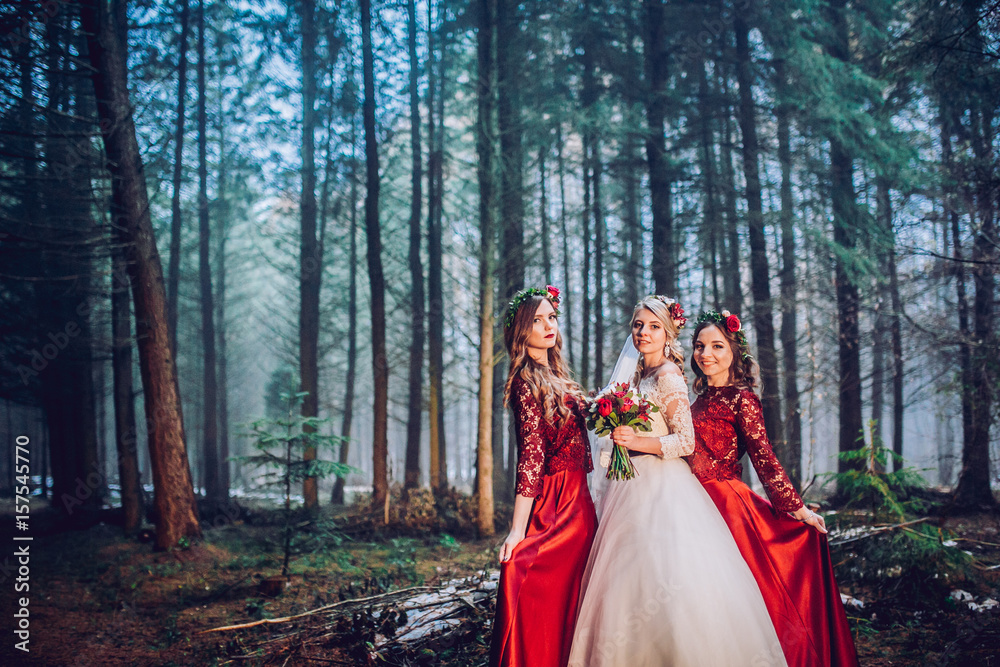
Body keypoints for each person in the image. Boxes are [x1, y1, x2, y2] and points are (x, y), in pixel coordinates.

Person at [568, 296, 786, 667]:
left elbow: (684, 441)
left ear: (668, 334)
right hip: (630, 487)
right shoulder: (637, 375)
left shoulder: (669, 376)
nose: (643, 333)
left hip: (663, 488)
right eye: (638, 325)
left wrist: (637, 442)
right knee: (627, 582)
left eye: (653, 326)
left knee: (665, 575)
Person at [688, 310, 859, 667]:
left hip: (725, 504)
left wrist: (797, 508)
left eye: (717, 346)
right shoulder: (697, 400)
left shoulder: (742, 399)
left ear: (735, 352)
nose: (706, 354)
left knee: (746, 591)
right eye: (700, 346)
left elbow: (764, 457)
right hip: (690, 504)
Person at [489, 286, 598, 667]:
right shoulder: (524, 382)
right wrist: (517, 531)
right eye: (536, 320)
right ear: (523, 331)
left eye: (551, 317)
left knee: (571, 594)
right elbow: (532, 458)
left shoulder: (558, 374)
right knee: (521, 572)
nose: (547, 326)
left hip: (579, 500)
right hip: (554, 503)